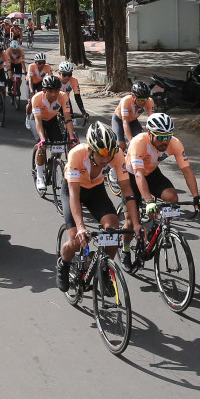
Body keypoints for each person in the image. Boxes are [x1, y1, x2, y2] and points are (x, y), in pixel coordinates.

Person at [56, 122, 142, 291]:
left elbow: (127, 192)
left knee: (113, 229)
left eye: (109, 154)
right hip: (74, 190)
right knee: (75, 241)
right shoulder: (76, 154)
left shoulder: (116, 154)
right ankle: (63, 263)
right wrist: (81, 227)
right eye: (101, 154)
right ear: (91, 150)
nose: (106, 159)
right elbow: (74, 195)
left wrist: (136, 223)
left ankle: (104, 269)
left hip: (96, 191)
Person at [127, 112, 200, 210]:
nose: (165, 141)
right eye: (160, 137)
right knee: (132, 216)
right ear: (150, 134)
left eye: (168, 137)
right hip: (131, 175)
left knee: (172, 198)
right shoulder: (139, 142)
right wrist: (149, 201)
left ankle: (164, 219)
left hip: (151, 172)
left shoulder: (175, 143)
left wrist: (196, 196)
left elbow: (187, 171)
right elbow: (138, 174)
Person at [31, 75, 76, 193]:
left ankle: (54, 165)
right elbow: (37, 121)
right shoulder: (37, 98)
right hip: (38, 121)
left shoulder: (63, 96)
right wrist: (42, 139)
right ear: (44, 90)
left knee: (59, 146)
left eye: (56, 91)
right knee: (42, 146)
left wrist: (72, 136)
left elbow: (67, 118)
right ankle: (40, 176)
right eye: (50, 91)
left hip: (52, 121)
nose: (54, 94)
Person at [112, 80, 154, 146]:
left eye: (145, 99)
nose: (142, 102)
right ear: (133, 96)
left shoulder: (150, 101)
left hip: (132, 121)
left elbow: (152, 121)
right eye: (140, 100)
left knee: (141, 141)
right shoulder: (126, 101)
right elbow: (125, 122)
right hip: (119, 120)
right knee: (121, 145)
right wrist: (130, 140)